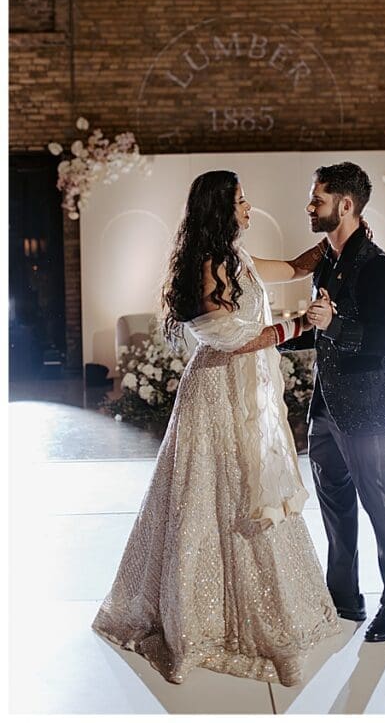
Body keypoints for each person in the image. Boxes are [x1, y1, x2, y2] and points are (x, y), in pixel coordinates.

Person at [93, 170, 343, 686]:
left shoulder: (240, 258)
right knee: (213, 495)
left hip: (245, 389)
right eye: (242, 201)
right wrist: (298, 327)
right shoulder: (206, 265)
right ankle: (201, 621)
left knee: (248, 488)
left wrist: (344, 235)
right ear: (219, 209)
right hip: (215, 393)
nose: (249, 209)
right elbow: (227, 337)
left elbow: (299, 266)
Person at [299, 162, 385, 642]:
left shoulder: (380, 267)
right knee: (335, 506)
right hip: (325, 409)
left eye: (317, 199)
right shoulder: (327, 260)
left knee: (379, 502)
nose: (310, 206)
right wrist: (268, 338)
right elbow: (319, 327)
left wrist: (333, 325)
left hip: (367, 411)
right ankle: (343, 597)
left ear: (345, 205)